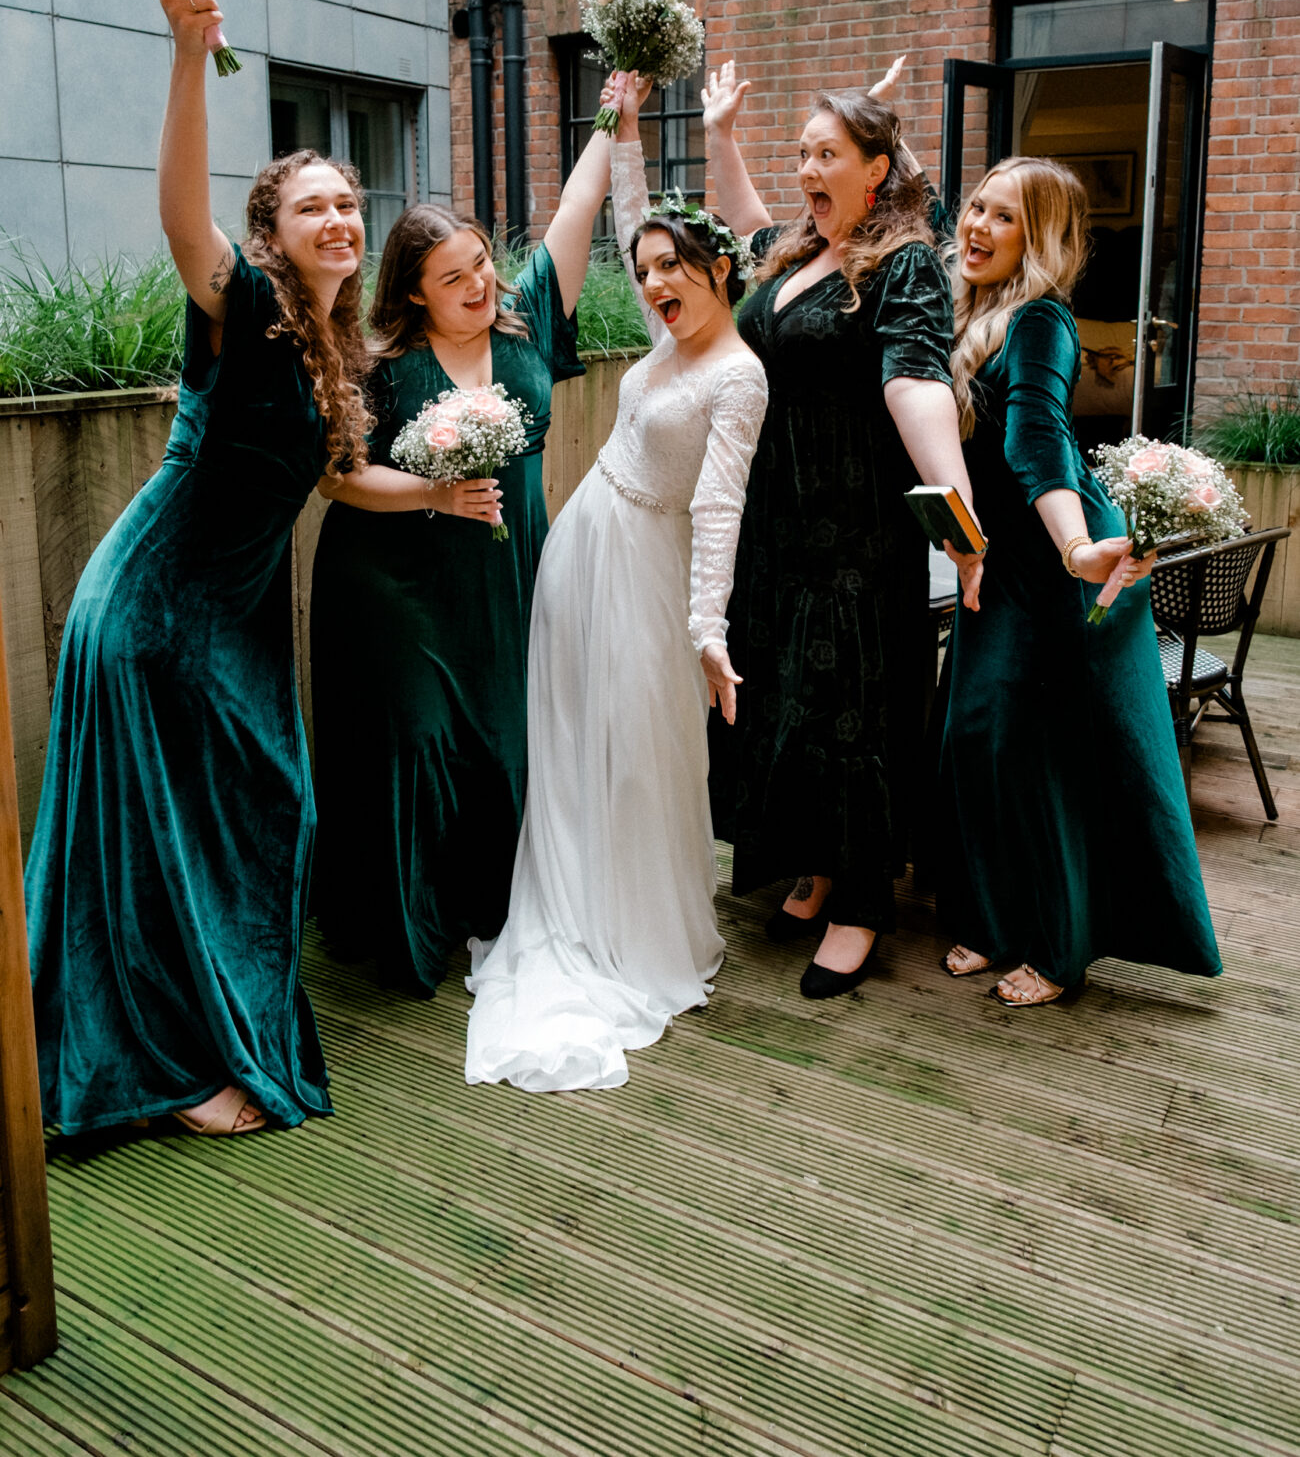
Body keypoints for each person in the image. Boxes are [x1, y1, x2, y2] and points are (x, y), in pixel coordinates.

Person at [24, 0, 372, 1138]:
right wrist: (185, 54)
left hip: (232, 621)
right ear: (273, 231)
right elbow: (181, 218)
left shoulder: (332, 347)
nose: (339, 218)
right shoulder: (254, 309)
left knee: (263, 811)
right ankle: (173, 1073)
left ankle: (196, 1043)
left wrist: (438, 493)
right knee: (176, 841)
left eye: (350, 203)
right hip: (155, 614)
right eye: (313, 204)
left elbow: (332, 478)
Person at [464, 75, 768, 1090]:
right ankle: (571, 899)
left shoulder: (737, 374)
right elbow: (638, 221)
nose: (656, 285)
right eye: (645, 274)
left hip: (652, 563)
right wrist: (629, 133)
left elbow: (719, 510)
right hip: (581, 544)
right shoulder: (664, 337)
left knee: (643, 748)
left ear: (718, 270)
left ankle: (635, 932)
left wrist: (706, 626)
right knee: (572, 734)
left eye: (675, 270)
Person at [308, 86, 617, 995]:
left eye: (482, 264)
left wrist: (614, 110)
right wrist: (436, 490)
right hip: (398, 581)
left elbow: (575, 210)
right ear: (413, 291)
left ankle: (493, 906)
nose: (479, 284)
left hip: (505, 571)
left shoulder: (527, 325)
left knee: (498, 736)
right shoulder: (381, 366)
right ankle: (404, 925)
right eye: (454, 277)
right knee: (420, 737)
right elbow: (336, 475)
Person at [703, 59, 980, 1000]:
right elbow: (746, 224)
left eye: (827, 154)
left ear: (877, 169)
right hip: (777, 526)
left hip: (856, 533)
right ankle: (816, 864)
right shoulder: (796, 252)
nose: (808, 171)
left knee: (852, 708)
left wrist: (957, 508)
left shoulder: (903, 263)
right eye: (803, 156)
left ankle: (862, 900)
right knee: (788, 695)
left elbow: (915, 382)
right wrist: (722, 134)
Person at [936, 158, 1222, 1005]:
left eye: (1006, 219)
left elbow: (1037, 438)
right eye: (977, 207)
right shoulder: (972, 313)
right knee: (976, 739)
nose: (978, 227)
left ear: (1043, 239)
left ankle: (1058, 950)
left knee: (1038, 756)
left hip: (1065, 572)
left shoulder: (1041, 321)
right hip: (997, 564)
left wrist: (1073, 546)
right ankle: (991, 921)